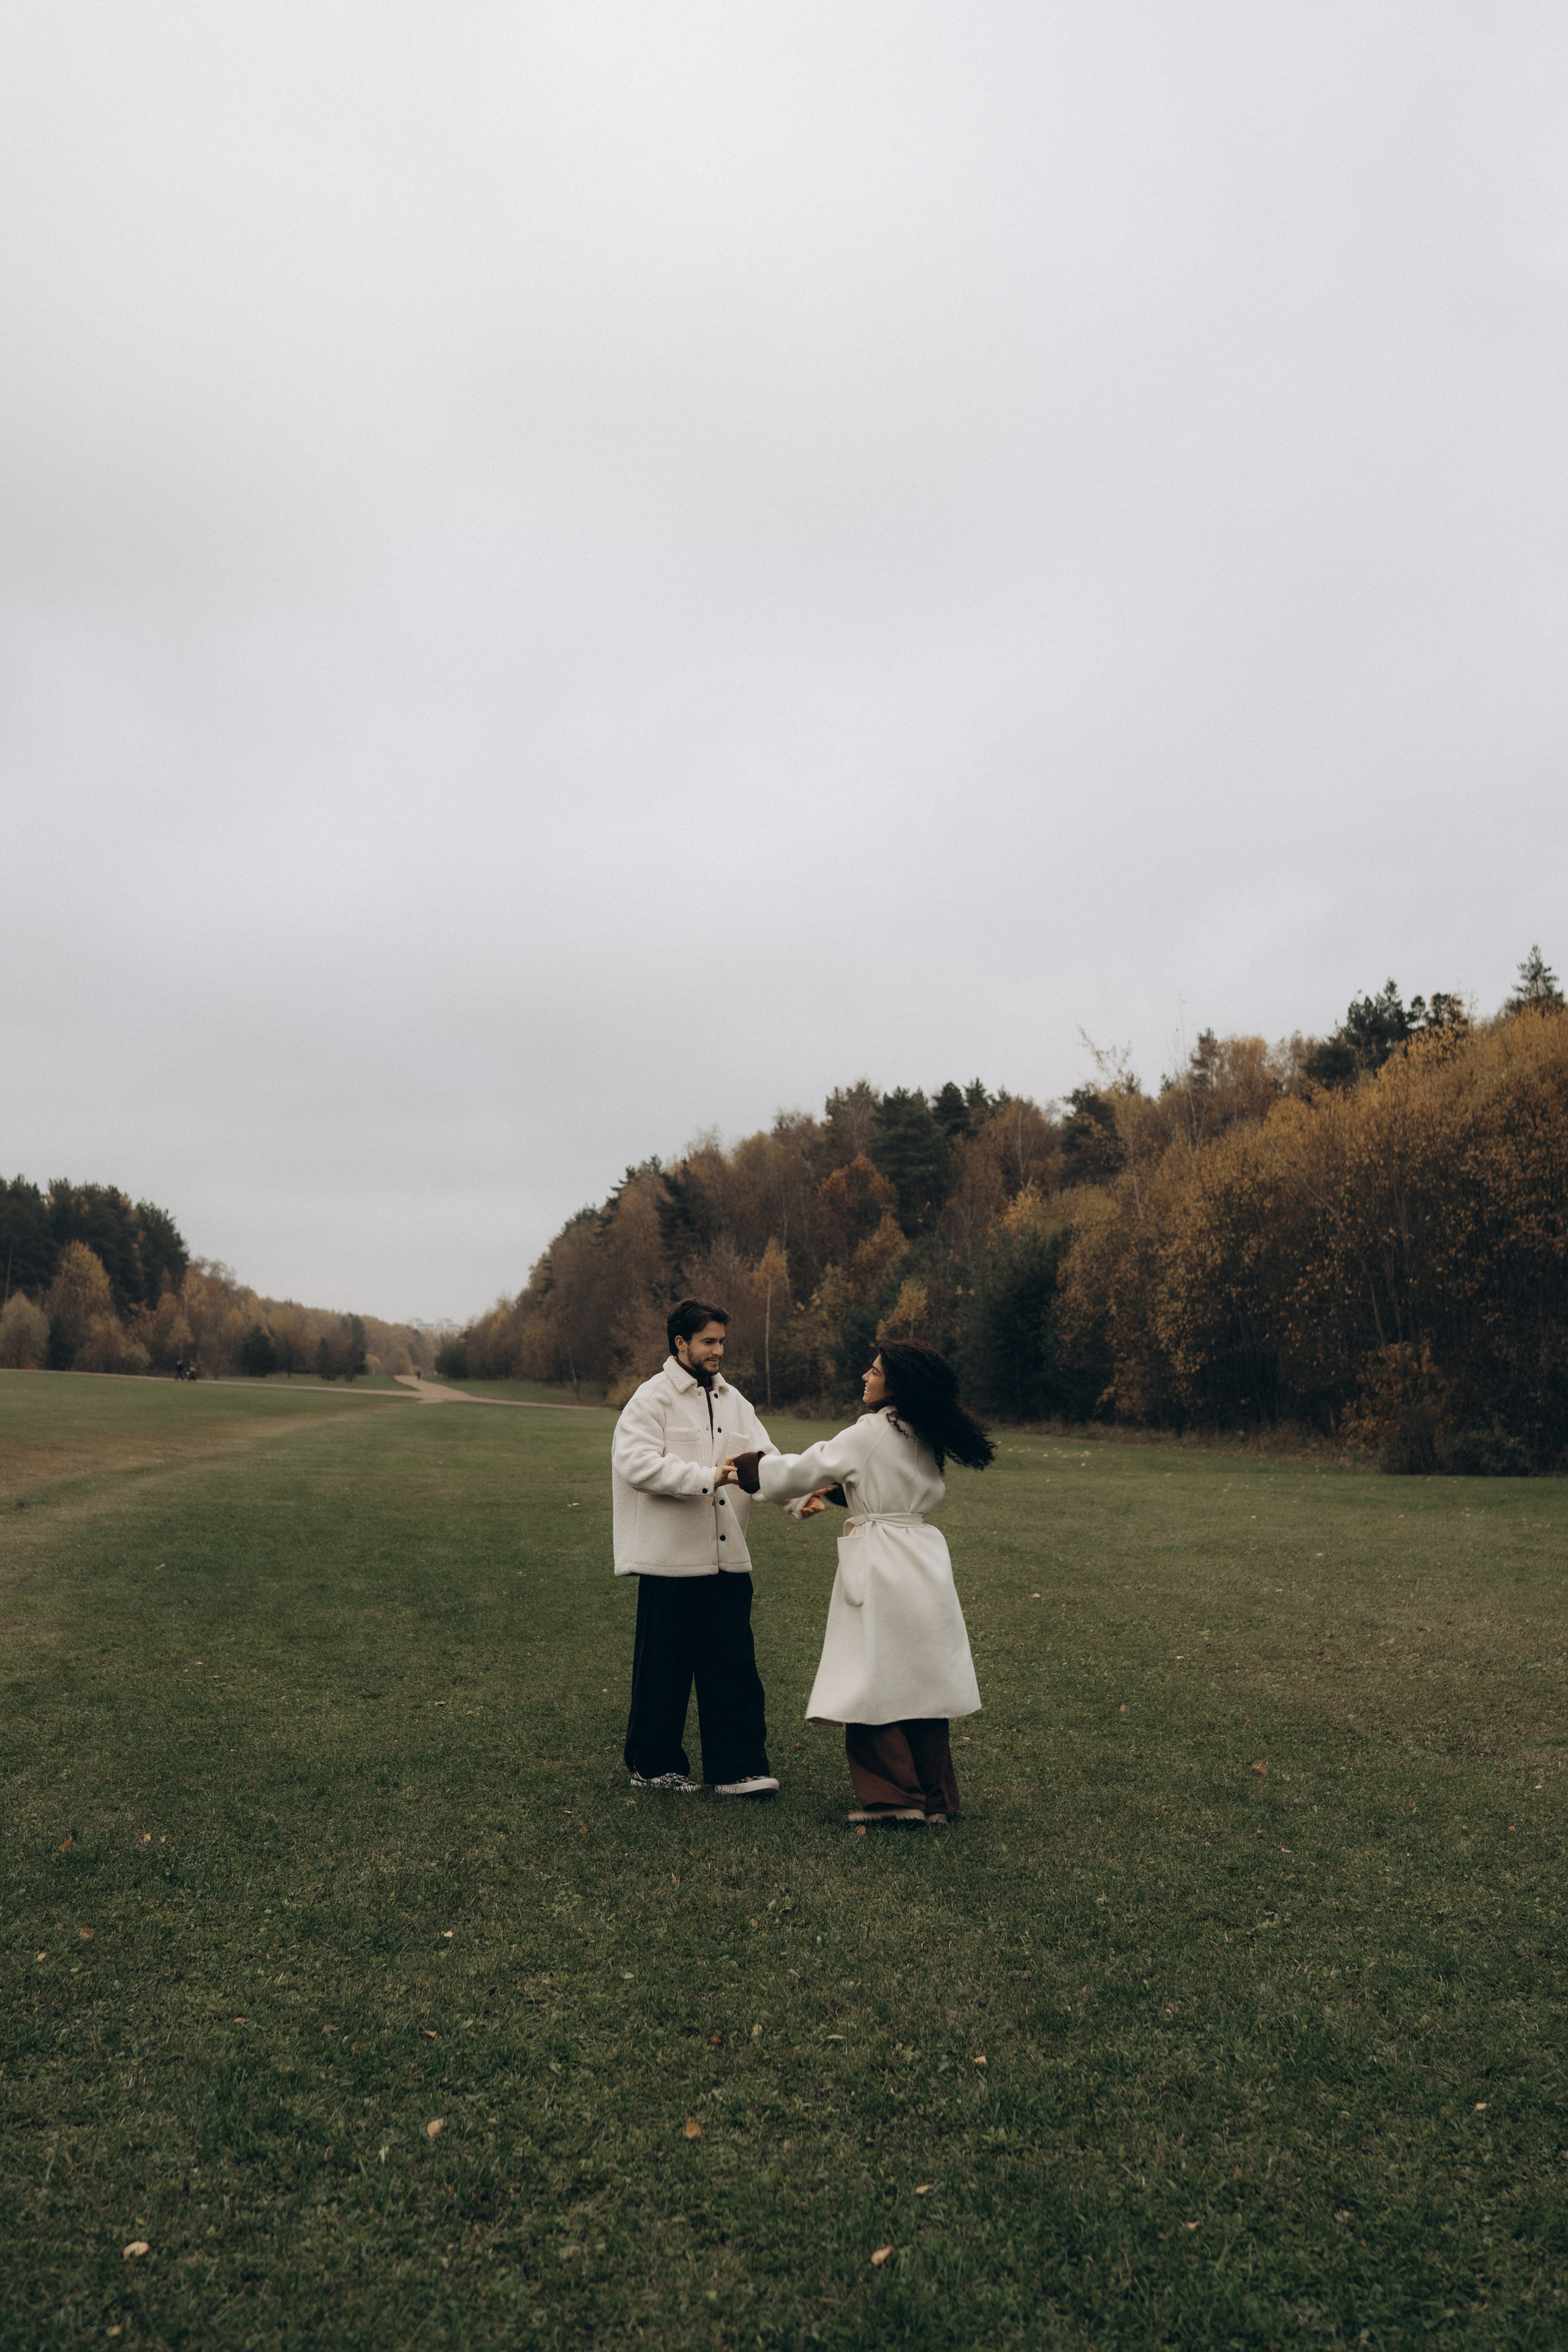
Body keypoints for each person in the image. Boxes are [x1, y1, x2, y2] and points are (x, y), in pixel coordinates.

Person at [719, 1339, 992, 1826]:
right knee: (921, 1678)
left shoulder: (871, 1431)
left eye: (875, 1371)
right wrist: (850, 1494)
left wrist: (752, 1468)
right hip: (922, 1556)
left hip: (880, 1559)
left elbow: (808, 1466)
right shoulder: (923, 1432)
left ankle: (894, 1798)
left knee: (870, 1675)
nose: (866, 1377)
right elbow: (895, 1484)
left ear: (896, 1384)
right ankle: (935, 1798)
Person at [611, 1298, 822, 1798]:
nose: (718, 1350)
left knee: (734, 1668)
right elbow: (636, 1464)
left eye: (722, 1341)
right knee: (663, 1670)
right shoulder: (651, 1398)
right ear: (680, 1343)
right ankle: (653, 1767)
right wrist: (709, 1476)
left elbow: (765, 1461)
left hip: (728, 1562)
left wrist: (797, 1500)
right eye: (708, 1341)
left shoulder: (735, 1401)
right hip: (669, 1563)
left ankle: (738, 1770)